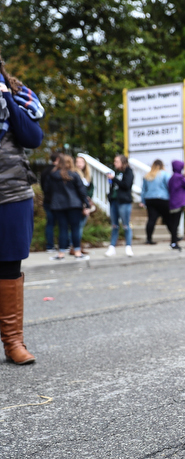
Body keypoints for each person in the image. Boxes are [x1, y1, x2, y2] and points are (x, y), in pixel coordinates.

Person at [0, 57, 44, 365]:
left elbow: (32, 137)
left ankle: (14, 342)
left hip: (11, 191)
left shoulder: (16, 93)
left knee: (8, 266)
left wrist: (5, 97)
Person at [45, 155, 91, 260]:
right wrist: (86, 204)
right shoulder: (74, 175)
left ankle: (61, 253)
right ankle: (78, 252)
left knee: (62, 229)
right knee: (75, 228)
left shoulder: (53, 175)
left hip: (58, 205)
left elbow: (47, 190)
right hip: (74, 205)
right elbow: (81, 191)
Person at [105, 155, 135, 257]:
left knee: (126, 225)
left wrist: (114, 179)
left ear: (123, 162)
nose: (115, 163)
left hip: (124, 202)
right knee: (114, 225)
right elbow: (113, 187)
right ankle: (112, 247)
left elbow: (126, 185)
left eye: (117, 161)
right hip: (114, 201)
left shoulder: (128, 171)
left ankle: (128, 246)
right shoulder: (116, 172)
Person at [140, 159, 170, 245]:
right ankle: (174, 236)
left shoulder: (148, 175)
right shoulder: (165, 174)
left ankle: (149, 239)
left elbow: (143, 190)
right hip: (162, 199)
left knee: (151, 219)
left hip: (150, 199)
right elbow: (169, 187)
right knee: (168, 219)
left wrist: (143, 201)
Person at [168, 160, 185, 251]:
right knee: (175, 224)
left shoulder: (172, 178)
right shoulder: (180, 177)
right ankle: (174, 242)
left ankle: (174, 241)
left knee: (174, 223)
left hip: (172, 203)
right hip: (179, 203)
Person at [40, 151, 60, 252]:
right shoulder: (57, 171)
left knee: (50, 224)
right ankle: (63, 245)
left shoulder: (44, 171)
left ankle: (50, 245)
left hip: (47, 200)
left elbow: (43, 187)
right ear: (58, 160)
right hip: (57, 201)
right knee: (62, 223)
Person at [74, 155, 94, 250]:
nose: (79, 164)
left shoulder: (88, 176)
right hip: (78, 203)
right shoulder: (74, 174)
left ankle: (77, 246)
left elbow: (91, 188)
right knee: (76, 226)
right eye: (77, 162)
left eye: (81, 162)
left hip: (86, 202)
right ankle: (74, 246)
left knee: (81, 225)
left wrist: (88, 199)